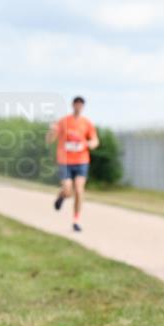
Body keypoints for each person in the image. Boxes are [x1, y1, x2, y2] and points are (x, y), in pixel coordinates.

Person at [47, 96, 99, 232]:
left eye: (81, 105)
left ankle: (76, 220)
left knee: (79, 190)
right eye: (76, 104)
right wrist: (51, 131)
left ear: (83, 107)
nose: (78, 107)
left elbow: (95, 141)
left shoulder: (86, 123)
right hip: (65, 161)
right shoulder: (63, 122)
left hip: (82, 161)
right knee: (68, 190)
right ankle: (61, 196)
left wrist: (89, 144)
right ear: (73, 105)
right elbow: (50, 140)